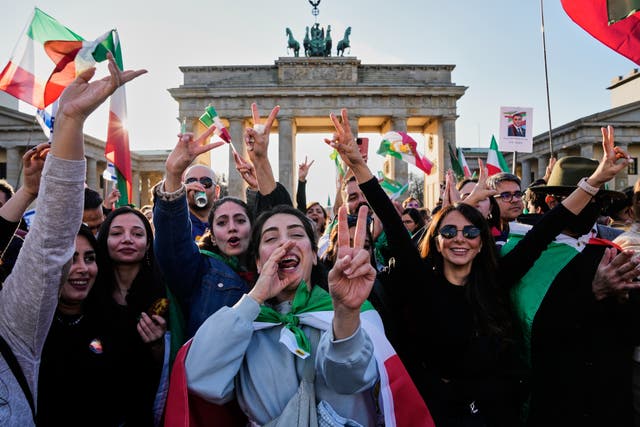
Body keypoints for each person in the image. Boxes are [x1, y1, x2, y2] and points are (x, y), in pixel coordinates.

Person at [327, 108, 631, 427]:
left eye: (471, 232)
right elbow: (391, 220)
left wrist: (596, 180)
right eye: (449, 231)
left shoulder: (495, 278)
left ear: (482, 240)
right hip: (433, 409)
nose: (461, 239)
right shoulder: (420, 279)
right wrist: (357, 163)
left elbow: (547, 228)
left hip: (493, 410)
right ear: (436, 239)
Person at [170, 204, 432, 426]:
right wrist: (254, 299)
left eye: (296, 234)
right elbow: (198, 378)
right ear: (259, 262)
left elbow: (350, 380)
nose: (285, 243)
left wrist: (346, 314)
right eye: (271, 238)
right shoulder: (241, 323)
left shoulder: (353, 311)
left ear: (314, 256)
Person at [0, 53, 145, 426]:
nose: (80, 269)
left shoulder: (10, 327)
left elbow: (50, 243)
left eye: (89, 258)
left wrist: (70, 123)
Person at [506, 146, 640, 426]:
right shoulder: (523, 253)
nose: (594, 207)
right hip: (553, 400)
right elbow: (531, 330)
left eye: (599, 201)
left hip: (608, 402)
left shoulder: (614, 251)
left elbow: (629, 333)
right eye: (585, 198)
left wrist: (626, 299)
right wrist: (592, 293)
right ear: (554, 202)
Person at [89, 206, 170, 425]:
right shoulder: (87, 291)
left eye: (137, 234)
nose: (127, 239)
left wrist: (156, 345)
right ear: (103, 240)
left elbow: (169, 368)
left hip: (144, 412)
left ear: (148, 242)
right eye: (116, 233)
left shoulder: (164, 294)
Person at [37, 225, 117, 426]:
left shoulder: (114, 323)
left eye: (89, 258)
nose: (82, 268)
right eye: (70, 259)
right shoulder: (30, 329)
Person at [183, 164, 220, 241]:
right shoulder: (176, 223)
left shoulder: (227, 224)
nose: (198, 186)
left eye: (206, 182)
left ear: (217, 191)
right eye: (191, 181)